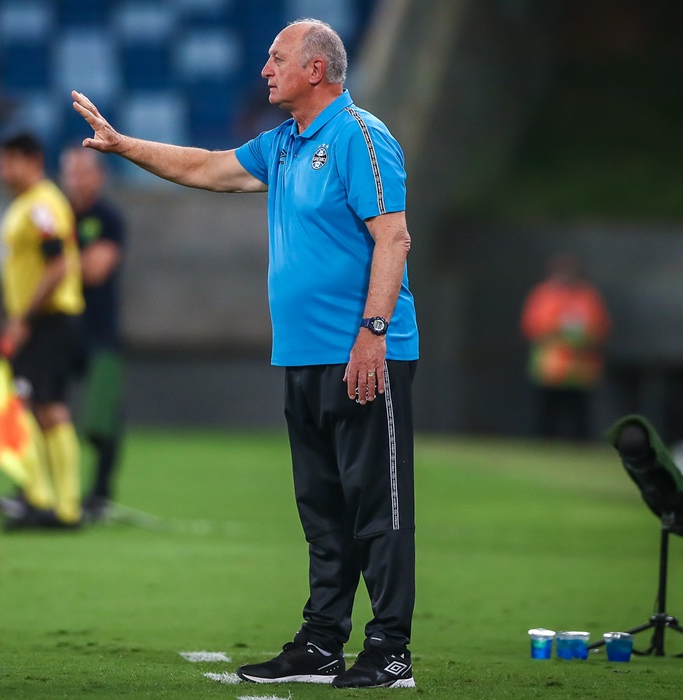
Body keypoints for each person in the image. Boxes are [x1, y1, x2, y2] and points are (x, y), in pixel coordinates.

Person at [72, 18, 418, 689]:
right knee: (322, 509)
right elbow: (206, 166)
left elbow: (395, 239)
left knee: (379, 508)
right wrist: (120, 145)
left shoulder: (361, 137)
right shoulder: (284, 144)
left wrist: (373, 333)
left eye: (277, 57)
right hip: (302, 357)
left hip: (366, 354)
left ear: (316, 69)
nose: (265, 68)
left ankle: (390, 649)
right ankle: (322, 644)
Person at [0, 133, 85, 528]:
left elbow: (57, 266)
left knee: (38, 405)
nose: (2, 170)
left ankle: (50, 501)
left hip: (47, 318)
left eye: (9, 161)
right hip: (43, 318)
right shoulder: (29, 205)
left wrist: (24, 318)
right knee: (41, 406)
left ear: (32, 161)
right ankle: (53, 502)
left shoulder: (42, 206)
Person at [59, 147, 127, 522]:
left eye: (82, 172)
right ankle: (41, 487)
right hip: (59, 330)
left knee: (102, 419)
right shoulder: (56, 215)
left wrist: (54, 264)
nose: (75, 180)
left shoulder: (108, 219)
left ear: (99, 176)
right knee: (43, 406)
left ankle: (99, 495)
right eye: (69, 172)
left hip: (100, 332)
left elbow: (95, 270)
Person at [519, 253, 610, 441]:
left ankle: (579, 450)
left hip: (580, 370)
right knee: (546, 414)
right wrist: (557, 332)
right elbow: (533, 326)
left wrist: (582, 338)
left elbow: (600, 327)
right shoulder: (543, 295)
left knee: (578, 416)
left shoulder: (587, 296)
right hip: (550, 368)